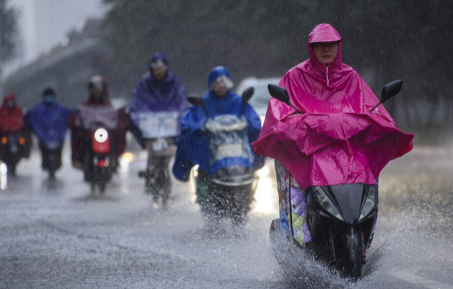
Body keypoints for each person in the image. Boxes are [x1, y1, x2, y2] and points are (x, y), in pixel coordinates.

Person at [252, 24, 413, 246]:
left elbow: (371, 109)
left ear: (338, 47)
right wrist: (303, 128)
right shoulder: (294, 77)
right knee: (290, 173)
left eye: (331, 45)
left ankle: (366, 233)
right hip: (306, 152)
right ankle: (296, 241)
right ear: (311, 48)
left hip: (345, 154)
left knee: (370, 172)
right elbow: (280, 114)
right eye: (320, 45)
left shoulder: (351, 77)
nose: (326, 49)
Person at [173, 66, 264, 199]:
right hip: (211, 151)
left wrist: (248, 124)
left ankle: (247, 193)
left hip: (237, 150)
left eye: (224, 82)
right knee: (202, 162)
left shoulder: (238, 101)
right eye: (217, 82)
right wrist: (202, 126)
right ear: (211, 84)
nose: (221, 86)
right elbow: (189, 124)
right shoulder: (204, 102)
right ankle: (204, 194)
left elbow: (254, 121)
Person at [128, 53, 189, 206]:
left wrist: (181, 118)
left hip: (169, 131)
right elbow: (136, 104)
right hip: (151, 131)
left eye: (161, 68)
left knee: (166, 161)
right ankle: (151, 185)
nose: (159, 71)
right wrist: (139, 120)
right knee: (153, 159)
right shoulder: (144, 84)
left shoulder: (174, 83)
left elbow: (182, 103)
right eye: (156, 68)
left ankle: (164, 190)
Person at [68, 75, 127, 181]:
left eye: (99, 89)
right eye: (94, 89)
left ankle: (114, 161)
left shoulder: (109, 106)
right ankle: (83, 163)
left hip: (106, 135)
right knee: (84, 144)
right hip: (89, 136)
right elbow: (77, 118)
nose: (96, 91)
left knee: (114, 144)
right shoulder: (84, 106)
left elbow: (116, 117)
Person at [24, 87, 72, 176]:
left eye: (50, 96)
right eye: (47, 96)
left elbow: (67, 114)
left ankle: (57, 162)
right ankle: (45, 162)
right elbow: (30, 117)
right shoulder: (38, 109)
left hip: (57, 136)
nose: (49, 98)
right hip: (43, 136)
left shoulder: (59, 108)